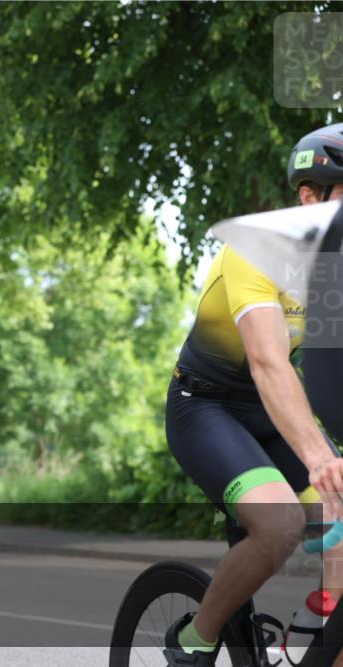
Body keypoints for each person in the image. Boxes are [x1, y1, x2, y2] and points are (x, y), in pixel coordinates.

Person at [164, 124, 343, 665]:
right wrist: (320, 460)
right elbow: (268, 362)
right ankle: (196, 639)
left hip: (274, 413)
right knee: (282, 524)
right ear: (309, 197)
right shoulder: (257, 251)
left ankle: (322, 630)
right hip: (207, 407)